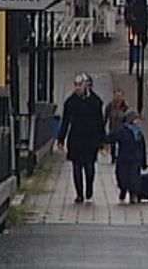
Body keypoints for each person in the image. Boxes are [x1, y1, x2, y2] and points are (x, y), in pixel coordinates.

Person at [57, 72, 105, 203]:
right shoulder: (70, 102)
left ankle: (89, 186)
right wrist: (61, 139)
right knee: (76, 167)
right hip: (76, 139)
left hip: (90, 140)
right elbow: (65, 121)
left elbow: (100, 121)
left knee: (89, 168)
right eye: (75, 85)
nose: (77, 87)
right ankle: (79, 193)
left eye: (80, 84)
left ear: (87, 85)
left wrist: (102, 139)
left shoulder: (96, 102)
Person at [105, 111, 147, 203]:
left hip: (136, 160)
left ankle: (133, 194)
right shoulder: (122, 130)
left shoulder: (139, 133)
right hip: (123, 158)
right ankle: (123, 189)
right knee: (121, 177)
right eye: (136, 119)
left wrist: (144, 162)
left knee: (134, 178)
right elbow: (111, 137)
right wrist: (103, 141)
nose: (138, 121)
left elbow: (143, 147)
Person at [104, 88, 130, 164]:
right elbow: (105, 117)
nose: (118, 98)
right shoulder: (110, 106)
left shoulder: (125, 108)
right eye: (116, 96)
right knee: (113, 144)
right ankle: (113, 157)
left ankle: (120, 158)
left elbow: (128, 119)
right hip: (112, 128)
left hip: (122, 129)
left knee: (122, 144)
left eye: (120, 96)